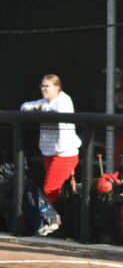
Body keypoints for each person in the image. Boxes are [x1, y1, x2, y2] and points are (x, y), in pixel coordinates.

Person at [20, 74, 82, 205]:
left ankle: (54, 224)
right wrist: (38, 107)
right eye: (41, 86)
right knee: (60, 192)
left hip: (64, 154)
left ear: (57, 88)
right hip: (49, 153)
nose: (43, 88)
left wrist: (40, 108)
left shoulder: (64, 99)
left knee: (50, 192)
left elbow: (57, 111)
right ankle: (63, 221)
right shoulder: (44, 101)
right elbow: (24, 106)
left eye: (47, 86)